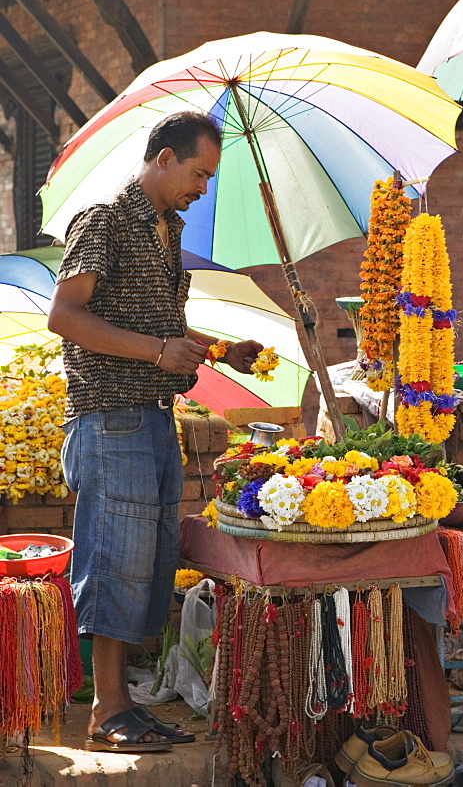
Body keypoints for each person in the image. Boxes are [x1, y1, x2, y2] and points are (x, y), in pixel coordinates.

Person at [47, 111, 263, 752]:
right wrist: (155, 353)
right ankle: (106, 711)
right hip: (110, 421)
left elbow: (164, 330)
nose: (203, 188)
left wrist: (221, 351)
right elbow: (64, 317)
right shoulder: (104, 221)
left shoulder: (168, 231)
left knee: (147, 566)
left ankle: (124, 705)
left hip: (151, 420)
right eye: (199, 173)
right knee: (114, 563)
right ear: (164, 159)